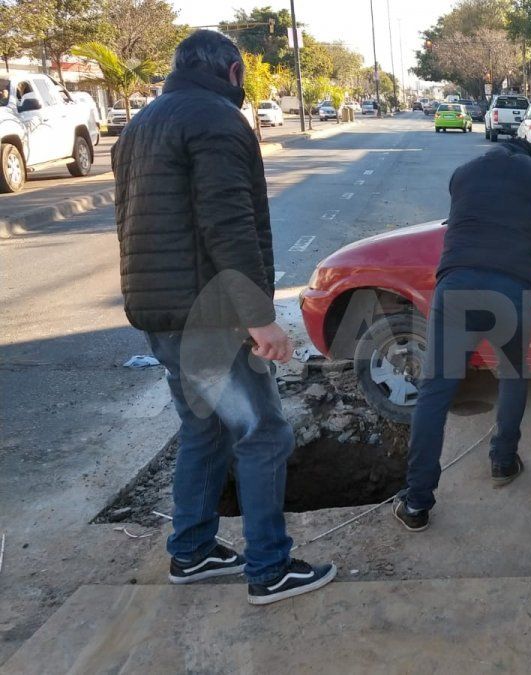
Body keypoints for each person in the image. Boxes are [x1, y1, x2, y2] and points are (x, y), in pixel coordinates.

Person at [113, 30, 336, 605]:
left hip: (161, 315)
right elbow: (227, 223)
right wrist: (259, 317)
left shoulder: (140, 125)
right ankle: (269, 568)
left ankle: (191, 551)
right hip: (211, 318)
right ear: (235, 73)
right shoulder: (217, 121)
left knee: (204, 428)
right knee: (263, 433)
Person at [393, 131, 531, 531]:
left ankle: (417, 502)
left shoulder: (461, 173)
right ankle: (503, 461)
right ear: (528, 155)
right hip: (509, 289)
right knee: (512, 376)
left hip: (456, 286)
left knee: (435, 392)